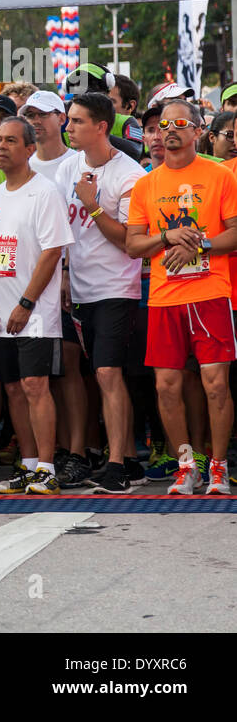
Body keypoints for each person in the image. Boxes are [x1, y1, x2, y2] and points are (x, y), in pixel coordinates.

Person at [126, 100, 237, 496]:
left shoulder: (219, 175)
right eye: (161, 125)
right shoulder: (145, 183)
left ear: (197, 130)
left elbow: (235, 234)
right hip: (164, 297)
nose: (168, 130)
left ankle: (219, 467)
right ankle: (186, 465)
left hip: (209, 293)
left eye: (178, 123)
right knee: (166, 387)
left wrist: (199, 245)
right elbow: (133, 243)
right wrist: (167, 237)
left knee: (215, 384)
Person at [50, 93, 149, 492]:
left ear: (101, 127)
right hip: (79, 287)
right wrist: (63, 275)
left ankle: (116, 465)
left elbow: (128, 240)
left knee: (108, 372)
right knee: (96, 374)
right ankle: (124, 458)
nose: (68, 128)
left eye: (76, 122)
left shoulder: (129, 175)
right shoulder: (67, 168)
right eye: (68, 120)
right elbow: (59, 229)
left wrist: (92, 206)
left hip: (116, 287)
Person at [0, 118, 73, 496]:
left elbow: (52, 252)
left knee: (35, 385)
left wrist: (26, 303)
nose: (1, 147)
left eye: (11, 141)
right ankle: (29, 465)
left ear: (30, 149)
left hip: (33, 313)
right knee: (13, 389)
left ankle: (47, 468)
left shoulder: (44, 192)